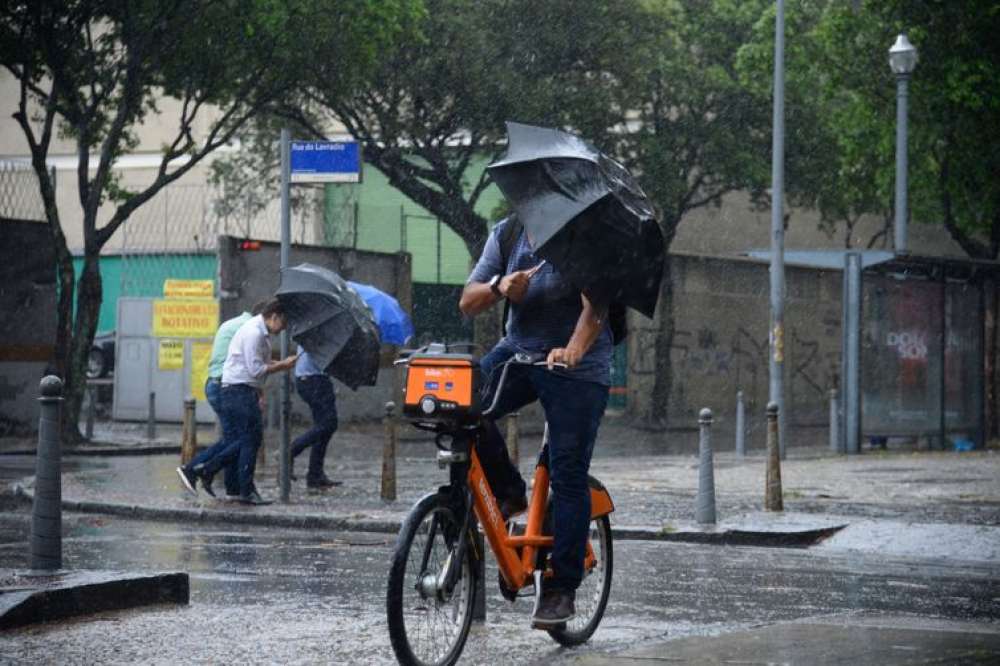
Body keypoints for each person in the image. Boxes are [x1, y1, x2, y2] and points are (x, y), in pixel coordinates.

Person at [459, 215, 611, 628]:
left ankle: (561, 587)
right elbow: (467, 300)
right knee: (462, 410)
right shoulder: (507, 234)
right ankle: (508, 493)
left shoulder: (582, 235)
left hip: (575, 368)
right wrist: (499, 287)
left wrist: (575, 348)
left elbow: (595, 306)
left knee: (567, 471)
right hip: (518, 352)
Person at [177, 299, 297, 505]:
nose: (285, 328)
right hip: (237, 390)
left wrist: (281, 364)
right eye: (284, 322)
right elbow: (256, 370)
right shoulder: (254, 333)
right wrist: (283, 365)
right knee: (247, 439)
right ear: (274, 316)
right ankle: (221, 478)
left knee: (245, 439)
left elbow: (259, 363)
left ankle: (225, 480)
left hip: (243, 389)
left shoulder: (261, 333)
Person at [178, 301, 265, 498]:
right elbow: (249, 364)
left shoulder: (235, 323)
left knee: (235, 437)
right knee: (240, 439)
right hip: (225, 385)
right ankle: (196, 469)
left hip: (216, 383)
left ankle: (232, 487)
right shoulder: (251, 329)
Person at [289, 346, 341, 489]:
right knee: (328, 424)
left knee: (324, 426)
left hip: (312, 378)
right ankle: (291, 451)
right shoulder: (324, 331)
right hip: (314, 379)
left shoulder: (319, 329)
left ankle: (315, 475)